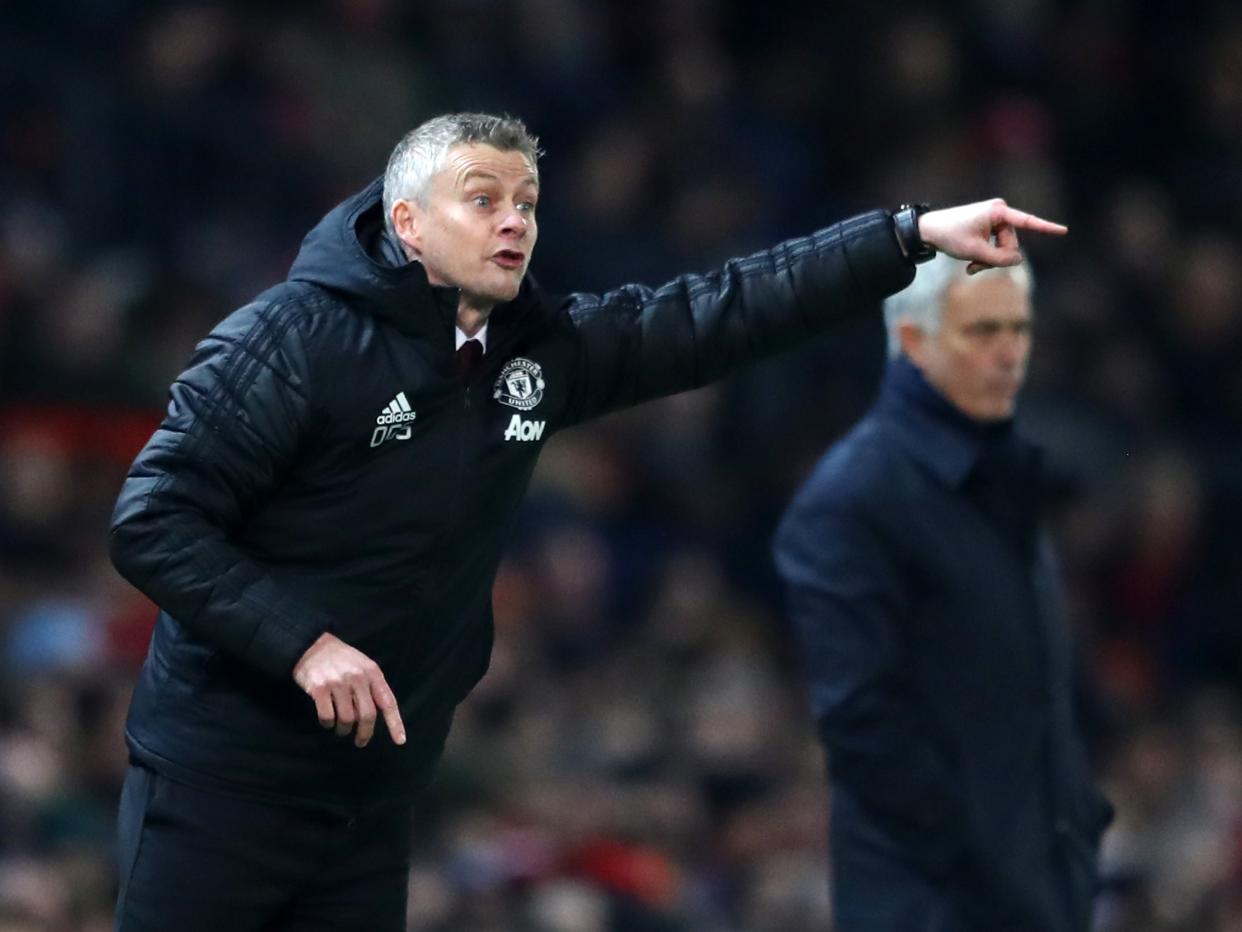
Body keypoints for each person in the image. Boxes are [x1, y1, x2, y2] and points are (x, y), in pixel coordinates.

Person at [108, 111, 1068, 930]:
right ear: (406, 223)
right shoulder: (292, 339)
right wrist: (302, 643)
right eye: (482, 199)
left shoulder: (538, 348)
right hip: (221, 777)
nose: (514, 221)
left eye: (525, 202)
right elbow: (153, 517)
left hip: (369, 790)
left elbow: (719, 313)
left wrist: (904, 237)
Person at [773, 253, 1114, 931]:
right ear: (912, 341)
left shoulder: (999, 485)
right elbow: (867, 732)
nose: (1009, 353)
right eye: (982, 331)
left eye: (1019, 329)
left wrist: (1073, 833)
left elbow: (1037, 700)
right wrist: (1000, 870)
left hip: (1034, 898)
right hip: (935, 908)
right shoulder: (852, 500)